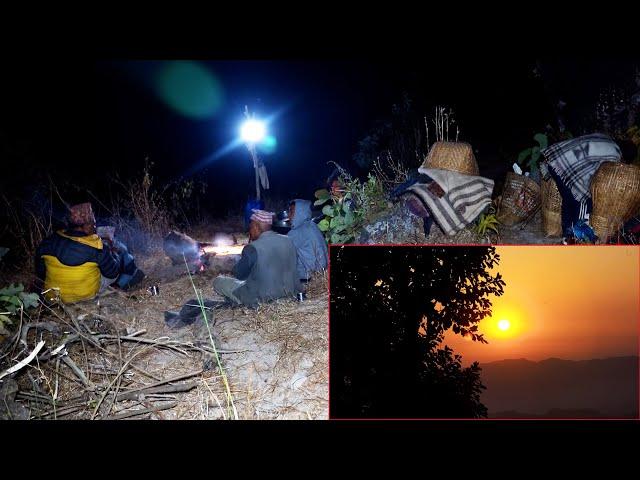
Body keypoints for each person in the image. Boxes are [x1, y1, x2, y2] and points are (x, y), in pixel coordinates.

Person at [35, 203, 124, 303]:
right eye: (93, 224)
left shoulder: (49, 241)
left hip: (53, 297)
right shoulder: (97, 247)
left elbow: (41, 272)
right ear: (86, 226)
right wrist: (114, 253)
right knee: (109, 270)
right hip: (84, 298)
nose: (95, 227)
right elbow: (112, 273)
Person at [213, 209, 302, 308]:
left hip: (261, 298)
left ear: (255, 227)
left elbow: (239, 275)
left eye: (250, 227)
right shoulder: (288, 240)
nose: (249, 231)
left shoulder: (253, 247)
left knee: (218, 281)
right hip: (290, 294)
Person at [287, 199, 328, 282]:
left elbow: (281, 248)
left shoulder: (297, 232)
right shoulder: (312, 225)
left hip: (309, 278)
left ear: (300, 212)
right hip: (323, 273)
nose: (288, 216)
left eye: (291, 212)